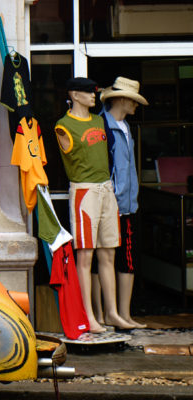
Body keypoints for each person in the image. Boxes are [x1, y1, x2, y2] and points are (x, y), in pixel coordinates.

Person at [54, 77, 128, 334]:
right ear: (74, 94)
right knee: (85, 255)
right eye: (88, 92)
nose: (93, 95)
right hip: (84, 192)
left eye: (94, 92)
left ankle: (112, 313)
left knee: (109, 252)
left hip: (106, 188)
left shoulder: (99, 121)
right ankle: (89, 317)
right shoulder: (63, 126)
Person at [100, 76, 148, 330]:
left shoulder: (127, 127)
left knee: (127, 259)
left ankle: (124, 314)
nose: (136, 106)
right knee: (105, 257)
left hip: (127, 204)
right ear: (121, 99)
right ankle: (107, 314)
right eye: (133, 100)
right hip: (109, 203)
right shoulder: (103, 126)